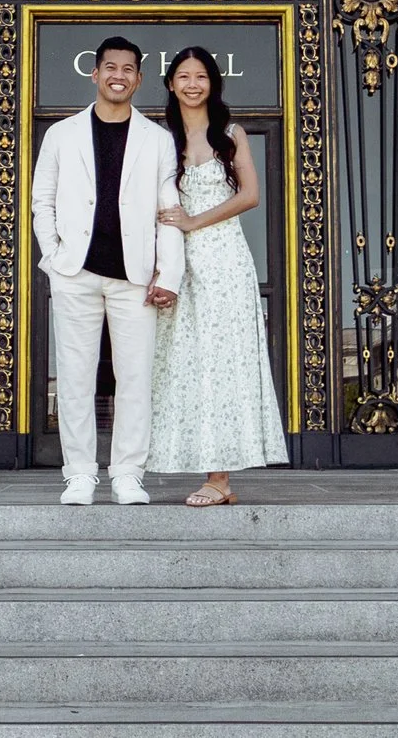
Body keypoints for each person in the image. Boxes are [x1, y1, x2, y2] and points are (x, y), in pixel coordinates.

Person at [30, 36, 182, 507]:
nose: (119, 75)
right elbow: (43, 201)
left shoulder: (158, 140)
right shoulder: (61, 134)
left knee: (135, 379)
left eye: (129, 68)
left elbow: (169, 210)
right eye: (110, 67)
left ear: (138, 78)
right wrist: (54, 259)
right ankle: (79, 474)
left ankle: (127, 474)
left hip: (135, 279)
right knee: (74, 377)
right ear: (95, 74)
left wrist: (168, 274)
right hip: (76, 272)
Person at [146, 44, 287, 506]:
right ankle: (173, 462)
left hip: (224, 261)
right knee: (182, 365)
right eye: (183, 76)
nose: (192, 84)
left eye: (201, 76)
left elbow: (250, 196)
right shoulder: (158, 139)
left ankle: (220, 478)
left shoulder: (230, 133)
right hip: (176, 264)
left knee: (222, 366)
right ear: (170, 84)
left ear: (213, 83)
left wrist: (193, 221)